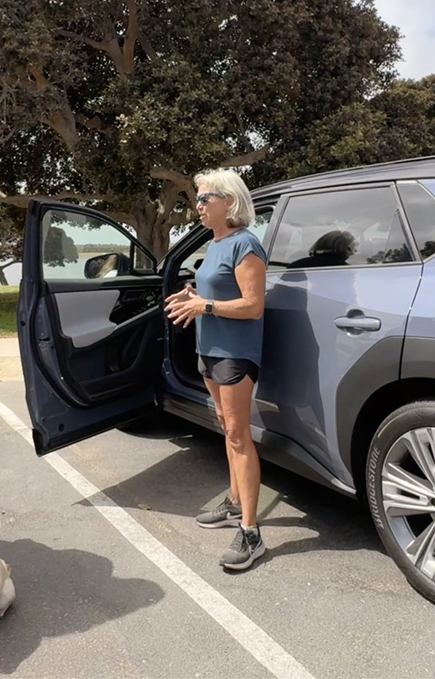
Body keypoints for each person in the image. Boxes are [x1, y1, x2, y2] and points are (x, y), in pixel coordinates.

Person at [164, 169, 268, 570]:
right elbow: (220, 292)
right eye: (198, 200)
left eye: (205, 199)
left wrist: (203, 305)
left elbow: (253, 306)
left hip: (234, 354)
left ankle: (251, 533)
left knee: (239, 436)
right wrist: (195, 295)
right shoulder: (216, 243)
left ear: (230, 201)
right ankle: (234, 501)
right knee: (226, 426)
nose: (198, 206)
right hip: (209, 350)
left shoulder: (246, 245)